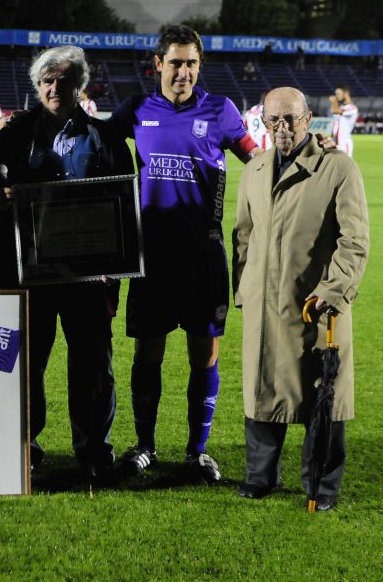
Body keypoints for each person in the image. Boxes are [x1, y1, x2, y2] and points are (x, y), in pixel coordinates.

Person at [106, 24, 260, 484]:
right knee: (147, 355)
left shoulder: (221, 111)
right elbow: (94, 147)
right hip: (151, 259)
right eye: (175, 63)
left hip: (203, 258)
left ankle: (197, 452)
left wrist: (310, 157)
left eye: (192, 63)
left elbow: (259, 161)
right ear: (158, 65)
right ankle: (145, 446)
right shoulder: (137, 110)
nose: (184, 72)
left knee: (204, 357)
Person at [0, 45, 135, 482]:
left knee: (93, 366)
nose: (54, 88)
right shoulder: (14, 134)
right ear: (37, 85)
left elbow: (126, 206)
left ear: (79, 86)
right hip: (29, 274)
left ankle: (94, 448)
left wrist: (115, 265)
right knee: (27, 365)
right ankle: (25, 444)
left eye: (64, 80)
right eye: (47, 80)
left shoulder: (105, 138)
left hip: (88, 277)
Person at [231, 87, 369, 511]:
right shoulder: (253, 170)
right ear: (263, 122)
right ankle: (260, 477)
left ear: (308, 119)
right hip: (264, 305)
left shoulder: (339, 168)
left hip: (314, 307)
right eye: (274, 120)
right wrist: (245, 289)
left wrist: (332, 291)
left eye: (290, 118)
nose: (282, 128)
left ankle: (321, 487)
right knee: (261, 390)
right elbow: (243, 236)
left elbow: (355, 241)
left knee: (321, 399)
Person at [329, 85, 359, 157]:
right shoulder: (341, 107)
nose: (336, 96)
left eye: (338, 94)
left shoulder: (352, 108)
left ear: (346, 94)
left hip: (344, 143)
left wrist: (333, 102)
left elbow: (336, 111)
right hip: (335, 143)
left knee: (346, 167)